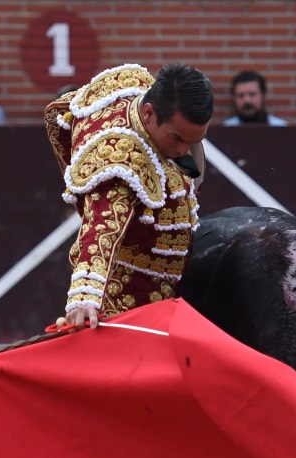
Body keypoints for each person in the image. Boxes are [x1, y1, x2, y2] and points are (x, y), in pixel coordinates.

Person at [44, 63, 214, 329]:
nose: (184, 151)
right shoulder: (121, 163)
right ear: (148, 113)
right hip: (124, 306)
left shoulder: (129, 84)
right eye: (177, 138)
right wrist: (85, 297)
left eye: (194, 140)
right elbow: (102, 227)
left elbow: (62, 111)